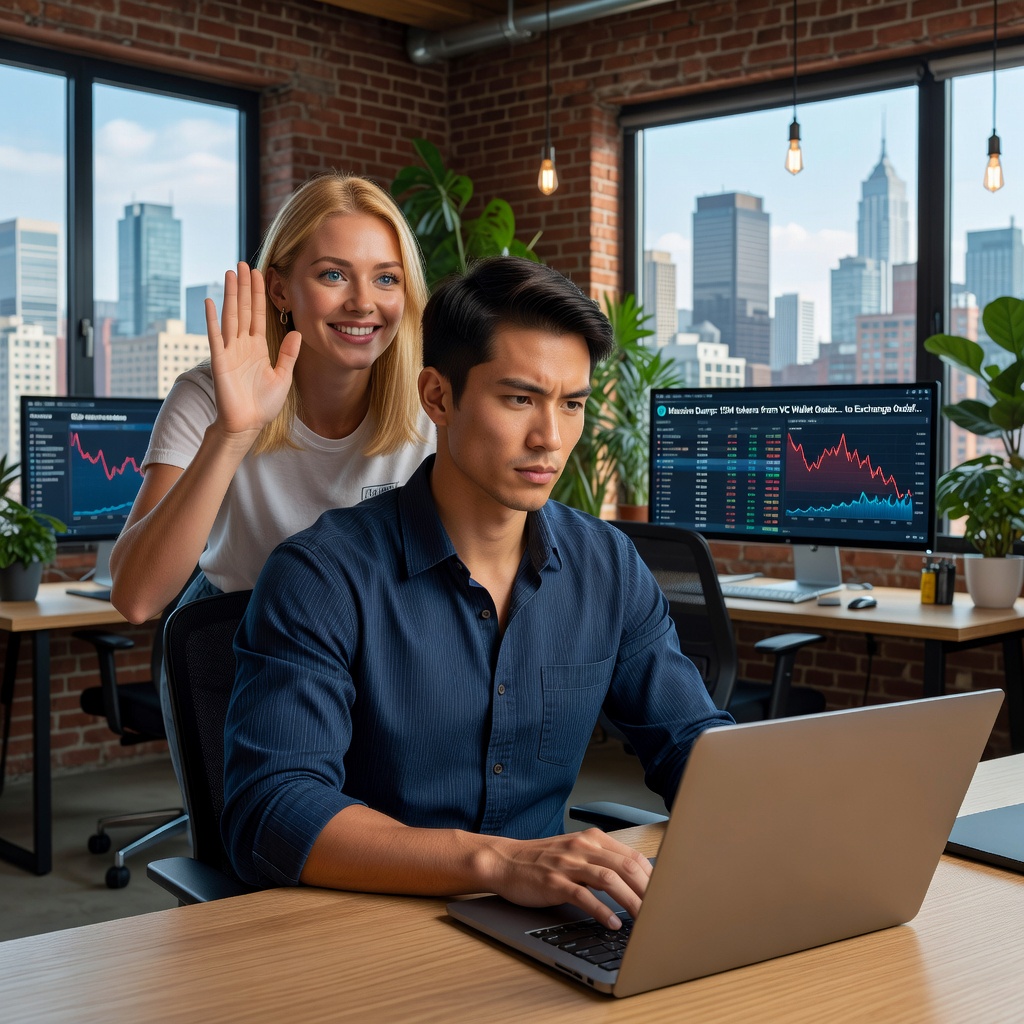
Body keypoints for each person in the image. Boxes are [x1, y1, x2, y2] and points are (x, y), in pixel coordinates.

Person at [223, 257, 733, 929]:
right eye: (520, 398)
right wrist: (495, 863)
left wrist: (776, 816)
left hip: (554, 923)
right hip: (363, 929)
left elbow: (689, 739)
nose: (551, 438)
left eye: (572, 404)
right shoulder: (322, 576)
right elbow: (274, 808)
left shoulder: (606, 565)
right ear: (437, 397)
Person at [109, 173, 435, 775]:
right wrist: (232, 434)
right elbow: (136, 597)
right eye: (333, 274)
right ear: (281, 289)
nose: (364, 302)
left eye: (386, 278)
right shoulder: (209, 394)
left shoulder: (428, 407)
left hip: (379, 652)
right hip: (236, 641)